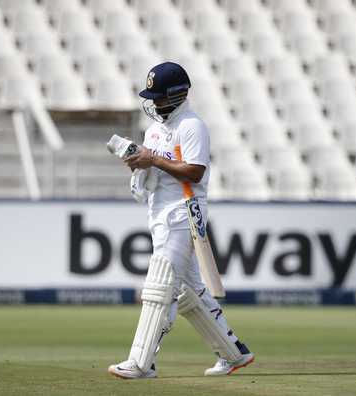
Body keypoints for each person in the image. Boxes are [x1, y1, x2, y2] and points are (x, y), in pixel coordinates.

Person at [108, 62, 254, 379]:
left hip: (183, 211)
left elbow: (195, 171)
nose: (154, 103)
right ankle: (233, 353)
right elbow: (154, 168)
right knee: (190, 291)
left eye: (159, 97)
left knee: (160, 285)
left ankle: (141, 362)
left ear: (177, 94)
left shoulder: (192, 125)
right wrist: (139, 164)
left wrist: (153, 159)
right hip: (159, 212)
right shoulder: (156, 129)